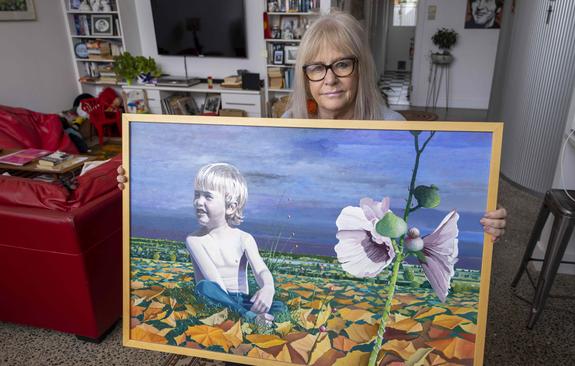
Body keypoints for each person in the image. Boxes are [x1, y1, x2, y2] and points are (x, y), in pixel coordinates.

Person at [118, 12, 507, 240]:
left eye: (342, 64)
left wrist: (482, 217)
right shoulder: (287, 126)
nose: (330, 80)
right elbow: (243, 178)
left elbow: (437, 194)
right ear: (305, 75)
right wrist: (141, 177)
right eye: (317, 68)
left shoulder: (396, 129)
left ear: (361, 68)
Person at [186, 163, 286, 322]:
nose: (198, 201)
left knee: (279, 305)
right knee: (204, 287)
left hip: (242, 299)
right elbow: (214, 282)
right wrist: (234, 306)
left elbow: (260, 270)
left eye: (207, 196)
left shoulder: (244, 239)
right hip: (216, 297)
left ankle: (257, 316)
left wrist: (268, 288)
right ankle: (251, 318)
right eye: (197, 195)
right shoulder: (194, 240)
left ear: (231, 207)